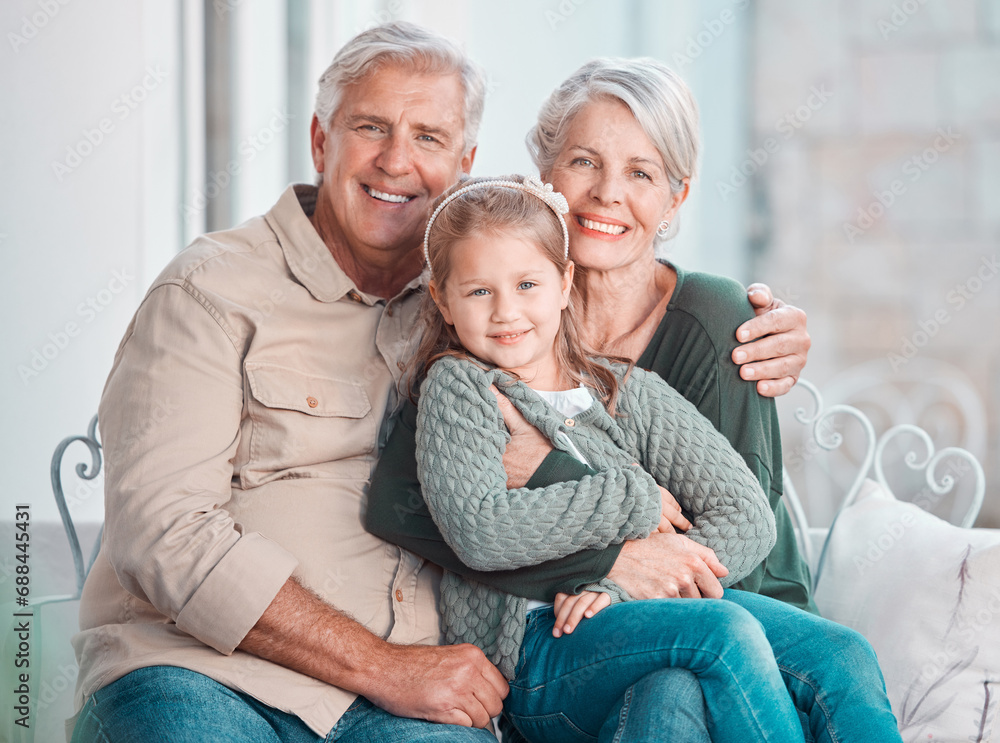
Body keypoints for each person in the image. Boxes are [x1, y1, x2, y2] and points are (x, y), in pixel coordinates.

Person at [70, 22, 813, 743]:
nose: (397, 161)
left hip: (422, 699)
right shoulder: (212, 291)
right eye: (370, 128)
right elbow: (166, 536)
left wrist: (762, 325)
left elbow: (613, 366)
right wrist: (384, 664)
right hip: (205, 671)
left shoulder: (482, 299)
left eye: (428, 138)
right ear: (320, 140)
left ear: (465, 163)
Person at [365, 59, 902, 742]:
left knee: (836, 655)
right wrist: (629, 509)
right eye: (584, 161)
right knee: (688, 667)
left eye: (641, 173)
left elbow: (744, 518)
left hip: (726, 597)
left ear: (677, 197)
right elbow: (423, 510)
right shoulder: (474, 352)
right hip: (559, 635)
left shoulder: (658, 363)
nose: (608, 193)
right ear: (545, 174)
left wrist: (617, 570)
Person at [408, 172, 814, 741]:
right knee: (723, 632)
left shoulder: (625, 390)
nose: (505, 312)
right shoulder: (463, 386)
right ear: (443, 300)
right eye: (479, 291)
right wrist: (634, 496)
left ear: (564, 280)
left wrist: (627, 583)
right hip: (538, 639)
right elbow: (479, 530)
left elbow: (748, 517)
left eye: (527, 284)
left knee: (840, 654)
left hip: (631, 615)